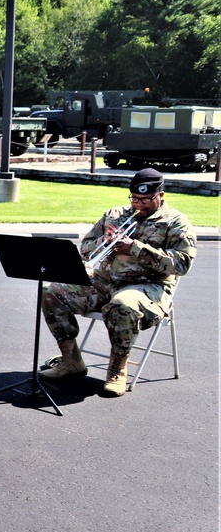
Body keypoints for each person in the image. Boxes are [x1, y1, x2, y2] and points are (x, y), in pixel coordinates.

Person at [39, 168, 197, 396]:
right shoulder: (114, 214)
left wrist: (135, 248)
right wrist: (105, 240)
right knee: (50, 291)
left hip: (148, 287)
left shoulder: (176, 222)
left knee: (123, 304)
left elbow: (182, 264)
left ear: (161, 195)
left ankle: (117, 369)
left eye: (145, 199)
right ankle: (71, 360)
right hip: (104, 281)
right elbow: (85, 248)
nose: (138, 204)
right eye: (134, 198)